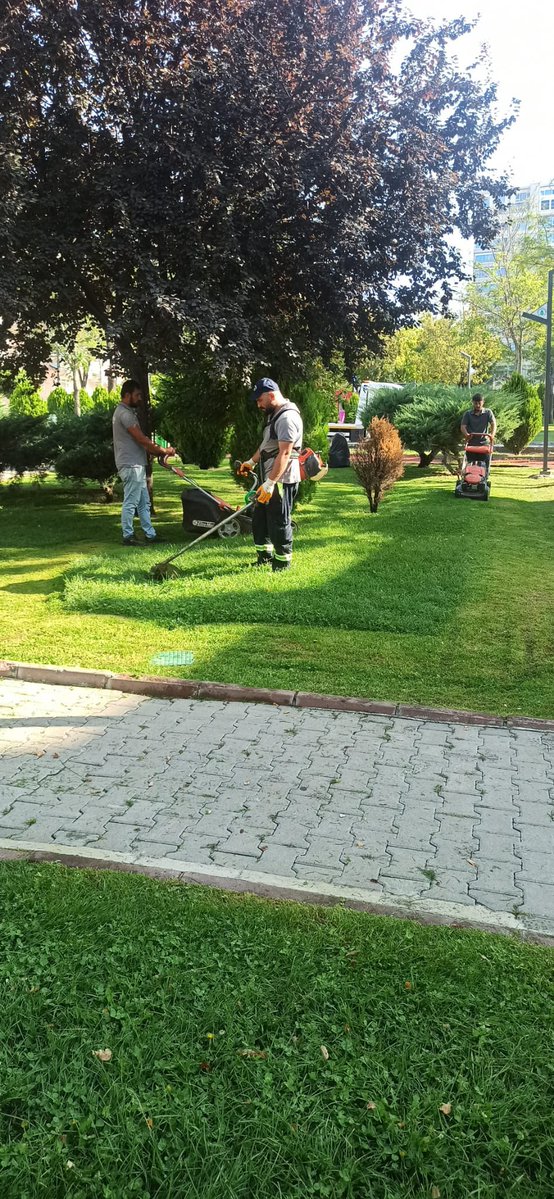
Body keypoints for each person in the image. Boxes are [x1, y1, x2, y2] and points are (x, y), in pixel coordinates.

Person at [238, 378, 303, 572]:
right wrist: (251, 462)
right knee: (261, 519)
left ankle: (282, 562)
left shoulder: (286, 418)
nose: (258, 404)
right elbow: (267, 447)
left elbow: (284, 452)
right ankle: (264, 556)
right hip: (270, 476)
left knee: (279, 519)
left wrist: (271, 483)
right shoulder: (274, 416)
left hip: (281, 478)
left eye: (260, 400)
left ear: (271, 395)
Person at [112, 380, 175, 546]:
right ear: (127, 395)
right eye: (137, 395)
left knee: (144, 502)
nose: (140, 398)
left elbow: (139, 441)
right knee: (131, 502)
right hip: (131, 465)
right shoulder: (124, 414)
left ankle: (150, 534)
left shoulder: (125, 413)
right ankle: (128, 536)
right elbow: (140, 438)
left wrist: (154, 452)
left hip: (136, 464)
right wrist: (163, 451)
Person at [461, 393, 497, 458]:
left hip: (484, 443)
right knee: (470, 462)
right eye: (475, 403)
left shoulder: (488, 412)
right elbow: (463, 426)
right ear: (472, 403)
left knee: (484, 463)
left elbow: (493, 424)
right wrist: (467, 434)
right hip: (471, 443)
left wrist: (492, 435)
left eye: (479, 403)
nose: (477, 405)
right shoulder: (468, 414)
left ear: (483, 402)